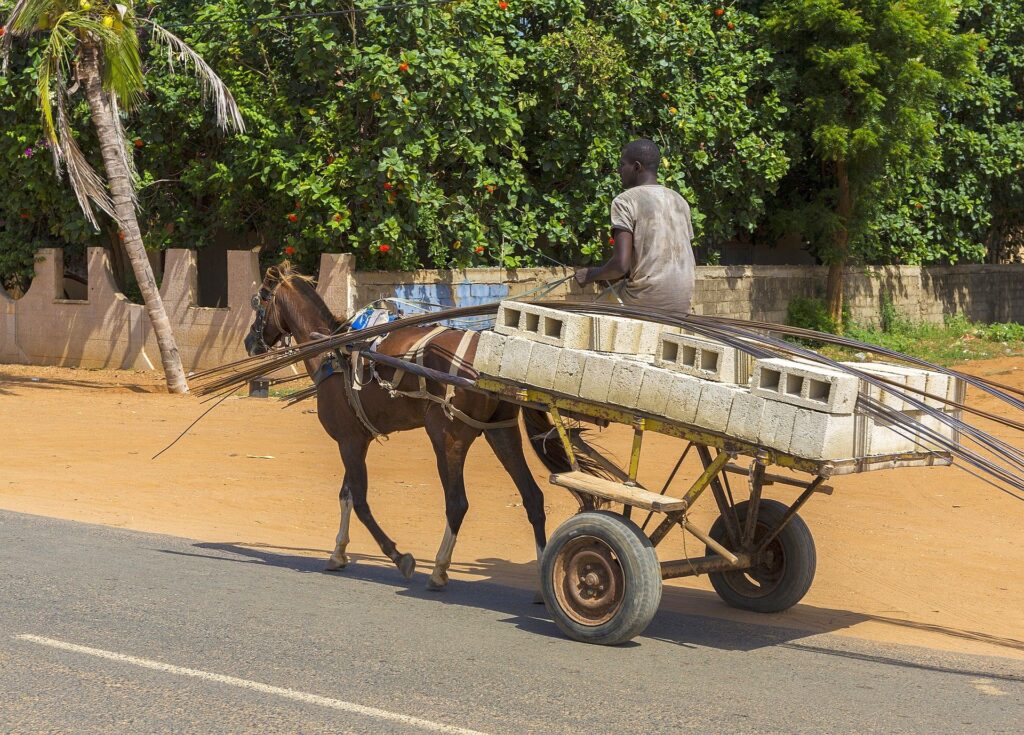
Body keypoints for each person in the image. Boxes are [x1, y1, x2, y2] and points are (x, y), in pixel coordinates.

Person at [574, 139, 696, 318]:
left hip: (646, 300)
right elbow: (659, 259)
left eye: (623, 165)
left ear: (637, 167)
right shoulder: (680, 201)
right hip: (682, 302)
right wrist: (611, 277)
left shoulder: (625, 201)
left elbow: (620, 265)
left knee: (590, 315)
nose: (619, 171)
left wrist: (590, 275)